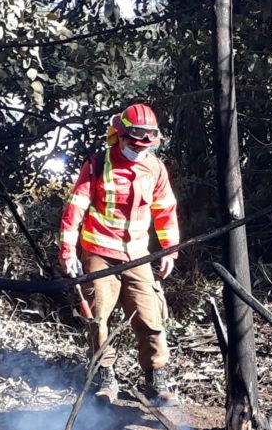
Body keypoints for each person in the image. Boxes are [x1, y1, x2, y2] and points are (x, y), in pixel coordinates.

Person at [58, 103, 180, 406]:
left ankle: (156, 380)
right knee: (99, 318)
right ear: (119, 137)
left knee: (150, 317)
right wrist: (67, 250)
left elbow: (165, 211)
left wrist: (169, 250)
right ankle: (105, 377)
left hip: (138, 254)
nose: (138, 150)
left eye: (145, 145)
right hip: (99, 253)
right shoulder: (98, 164)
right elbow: (75, 209)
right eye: (133, 144)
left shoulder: (155, 169)